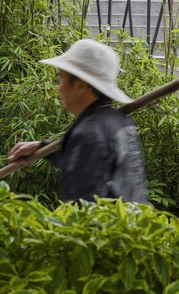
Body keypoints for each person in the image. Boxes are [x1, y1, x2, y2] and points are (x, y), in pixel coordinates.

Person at [8, 38, 148, 204]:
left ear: (81, 86)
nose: (57, 87)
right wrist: (43, 148)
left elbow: (82, 214)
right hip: (134, 224)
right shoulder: (119, 120)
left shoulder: (88, 135)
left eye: (61, 79)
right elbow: (94, 161)